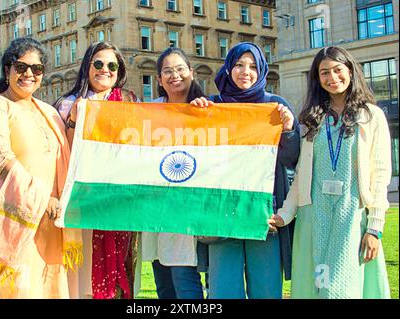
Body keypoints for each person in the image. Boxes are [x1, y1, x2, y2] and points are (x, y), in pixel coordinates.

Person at [0, 37, 82, 299]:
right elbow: (1, 159)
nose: (29, 74)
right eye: (21, 67)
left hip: (46, 224)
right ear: (8, 70)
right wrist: (43, 199)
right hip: (2, 219)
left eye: (37, 69)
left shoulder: (50, 112)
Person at [269, 46, 391, 299]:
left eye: (338, 70)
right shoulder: (312, 119)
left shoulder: (372, 116)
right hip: (313, 217)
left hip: (351, 217)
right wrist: (285, 214)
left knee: (342, 289)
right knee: (315, 286)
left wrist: (375, 228)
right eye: (324, 72)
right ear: (317, 78)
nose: (332, 77)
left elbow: (380, 174)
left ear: (350, 71)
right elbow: (302, 176)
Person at [208, 42, 300, 299]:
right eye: (238, 64)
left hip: (264, 213)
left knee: (267, 289)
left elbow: (291, 159)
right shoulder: (214, 106)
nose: (245, 71)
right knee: (222, 290)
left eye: (252, 66)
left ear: (261, 71)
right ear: (228, 68)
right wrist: (197, 112)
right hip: (222, 213)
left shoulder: (275, 106)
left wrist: (289, 129)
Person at [54, 42, 139, 299]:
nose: (105, 70)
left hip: (117, 202)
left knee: (120, 270)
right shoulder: (67, 103)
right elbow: (61, 154)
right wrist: (74, 119)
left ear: (119, 70)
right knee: (80, 273)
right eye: (98, 64)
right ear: (87, 67)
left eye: (112, 65)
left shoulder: (129, 102)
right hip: (80, 199)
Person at [140, 47, 212, 299]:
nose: (175, 75)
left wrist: (205, 115)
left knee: (183, 274)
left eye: (180, 69)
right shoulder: (148, 112)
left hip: (187, 205)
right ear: (159, 79)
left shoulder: (206, 109)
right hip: (154, 204)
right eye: (167, 71)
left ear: (191, 73)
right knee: (161, 276)